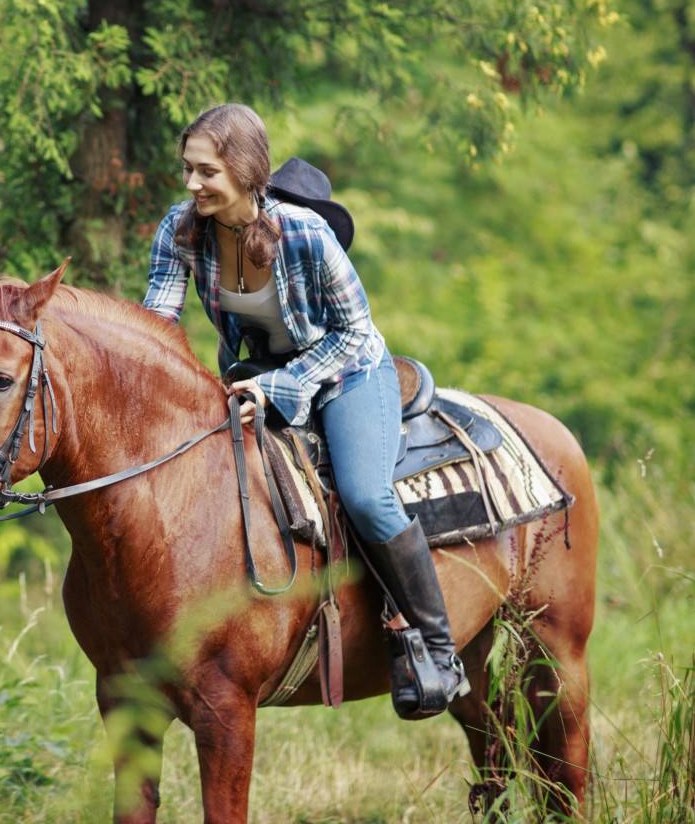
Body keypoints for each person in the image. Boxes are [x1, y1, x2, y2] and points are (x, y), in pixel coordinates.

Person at [141, 102, 468, 719]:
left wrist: (282, 389)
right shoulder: (179, 230)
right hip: (257, 372)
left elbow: (354, 331)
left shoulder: (304, 233)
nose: (191, 185)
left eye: (205, 171)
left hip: (348, 370)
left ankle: (434, 645)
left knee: (367, 496)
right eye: (187, 170)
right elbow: (157, 326)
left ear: (244, 169)